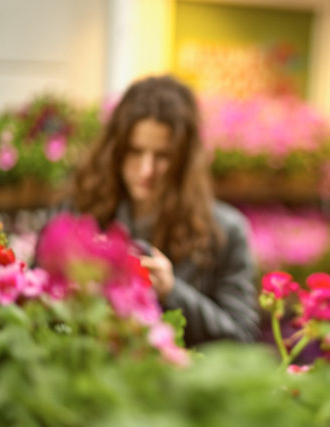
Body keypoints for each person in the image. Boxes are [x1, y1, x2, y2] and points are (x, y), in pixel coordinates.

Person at [65, 75, 260, 347]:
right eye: (135, 151)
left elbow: (243, 337)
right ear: (115, 150)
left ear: (185, 160)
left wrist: (172, 293)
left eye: (163, 156)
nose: (147, 170)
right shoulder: (78, 214)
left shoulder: (225, 231)